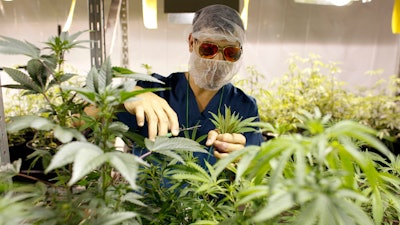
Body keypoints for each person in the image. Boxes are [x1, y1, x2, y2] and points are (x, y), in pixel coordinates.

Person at [117, 4, 263, 167]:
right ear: (192, 43)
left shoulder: (245, 107)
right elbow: (84, 118)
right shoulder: (155, 90)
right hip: (153, 192)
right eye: (208, 49)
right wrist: (126, 96)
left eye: (230, 52)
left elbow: (257, 169)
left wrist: (246, 161)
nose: (217, 61)